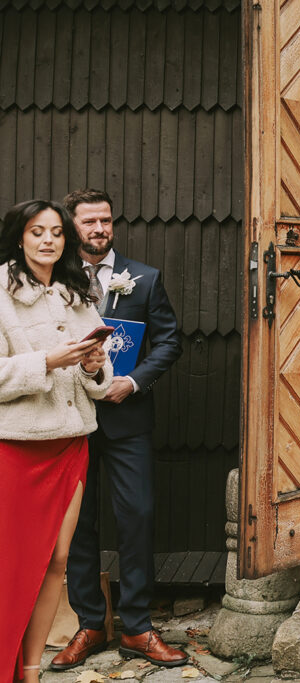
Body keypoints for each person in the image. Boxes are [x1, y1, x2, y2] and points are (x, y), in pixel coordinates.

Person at [52, 190, 185, 669]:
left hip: (128, 419)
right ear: (72, 226)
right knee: (78, 525)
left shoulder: (144, 277)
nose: (99, 229)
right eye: (89, 221)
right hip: (71, 420)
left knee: (137, 517)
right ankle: (90, 624)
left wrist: (134, 381)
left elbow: (169, 341)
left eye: (105, 220)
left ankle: (137, 627)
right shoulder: (53, 280)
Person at [0, 200, 112, 681]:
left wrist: (92, 366)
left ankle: (30, 671)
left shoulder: (77, 294)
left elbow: (100, 382)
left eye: (56, 232)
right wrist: (46, 361)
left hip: (71, 445)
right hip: (18, 449)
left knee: (56, 560)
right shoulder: (0, 292)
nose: (48, 240)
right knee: (13, 565)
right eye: (36, 231)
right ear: (19, 237)